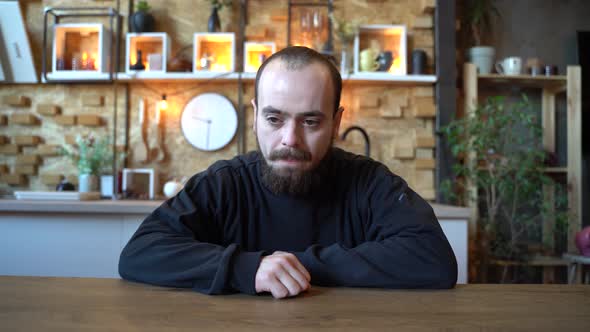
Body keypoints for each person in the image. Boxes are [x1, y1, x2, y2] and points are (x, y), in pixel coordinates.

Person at [119, 46, 457, 299]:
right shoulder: (226, 183)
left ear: (336, 123)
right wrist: (247, 268)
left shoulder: (367, 183)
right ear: (254, 117)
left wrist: (297, 266)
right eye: (274, 119)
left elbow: (433, 259)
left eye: (310, 121)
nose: (290, 139)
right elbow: (140, 252)